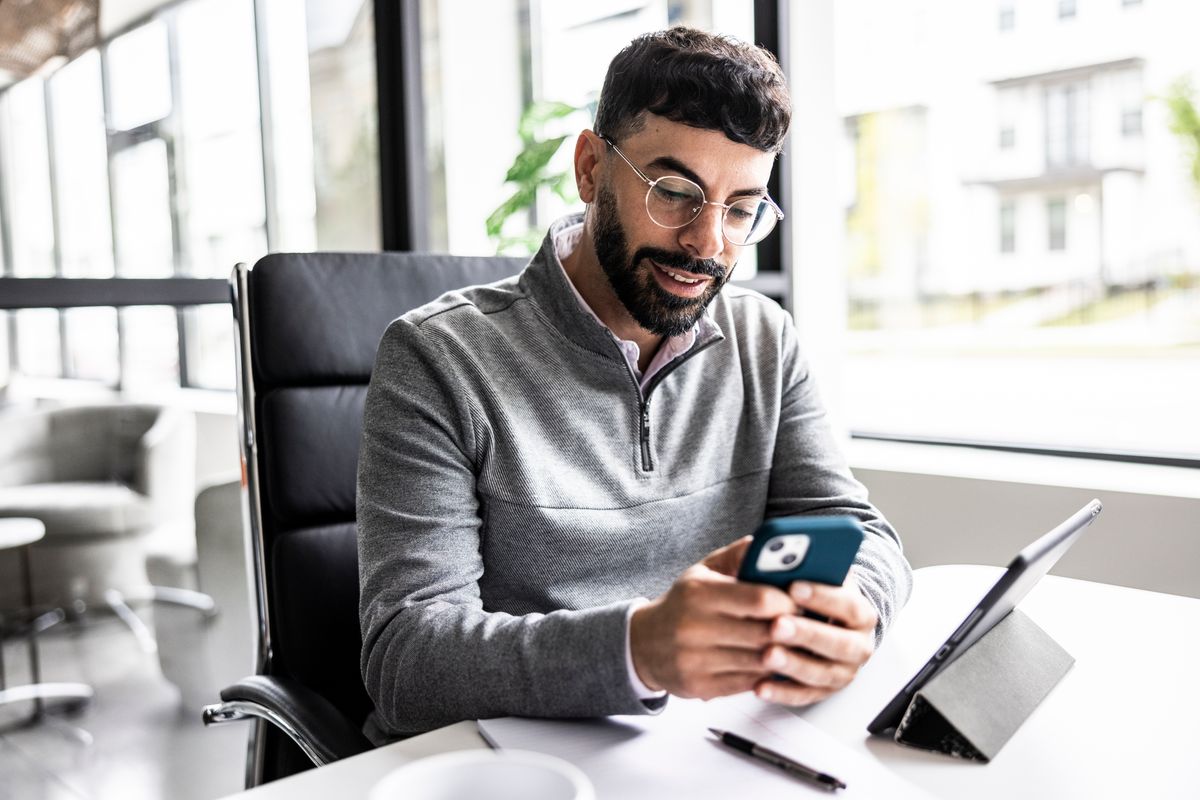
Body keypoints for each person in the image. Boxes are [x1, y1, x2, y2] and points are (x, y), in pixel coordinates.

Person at [356, 26, 912, 742]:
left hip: (699, 750)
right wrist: (639, 649)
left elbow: (862, 534)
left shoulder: (763, 338)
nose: (708, 242)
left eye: (741, 208)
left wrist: (856, 610)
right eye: (674, 192)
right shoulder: (438, 358)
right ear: (591, 170)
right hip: (508, 765)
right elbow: (407, 662)